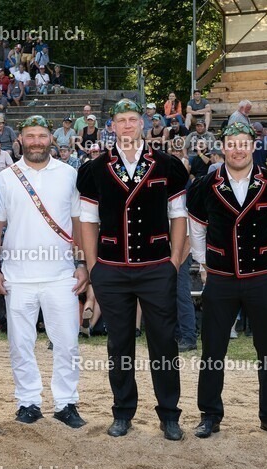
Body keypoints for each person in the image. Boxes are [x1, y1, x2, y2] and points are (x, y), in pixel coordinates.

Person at [77, 98, 190, 440]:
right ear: (111, 126)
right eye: (120, 120)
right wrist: (94, 266)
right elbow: (88, 221)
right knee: (119, 343)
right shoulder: (94, 169)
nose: (127, 125)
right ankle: (122, 411)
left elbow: (178, 217)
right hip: (112, 268)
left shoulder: (168, 165)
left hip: (157, 266)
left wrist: (174, 262)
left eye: (132, 119)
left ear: (143, 123)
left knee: (163, 343)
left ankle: (169, 414)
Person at [186, 122, 267, 441]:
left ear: (253, 146)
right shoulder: (205, 185)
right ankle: (210, 415)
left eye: (243, 143)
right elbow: (197, 230)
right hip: (220, 278)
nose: (237, 149)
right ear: (223, 147)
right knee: (213, 349)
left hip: (261, 278)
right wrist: (205, 263)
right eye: (231, 143)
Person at [0, 115, 88, 427]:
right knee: (20, 344)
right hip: (17, 275)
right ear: (20, 140)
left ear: (51, 139)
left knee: (68, 343)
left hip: (61, 275)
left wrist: (82, 263)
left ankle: (66, 403)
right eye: (30, 136)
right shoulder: (6, 177)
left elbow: (78, 223)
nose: (36, 141)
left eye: (42, 136)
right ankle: (28, 401)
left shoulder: (70, 174)